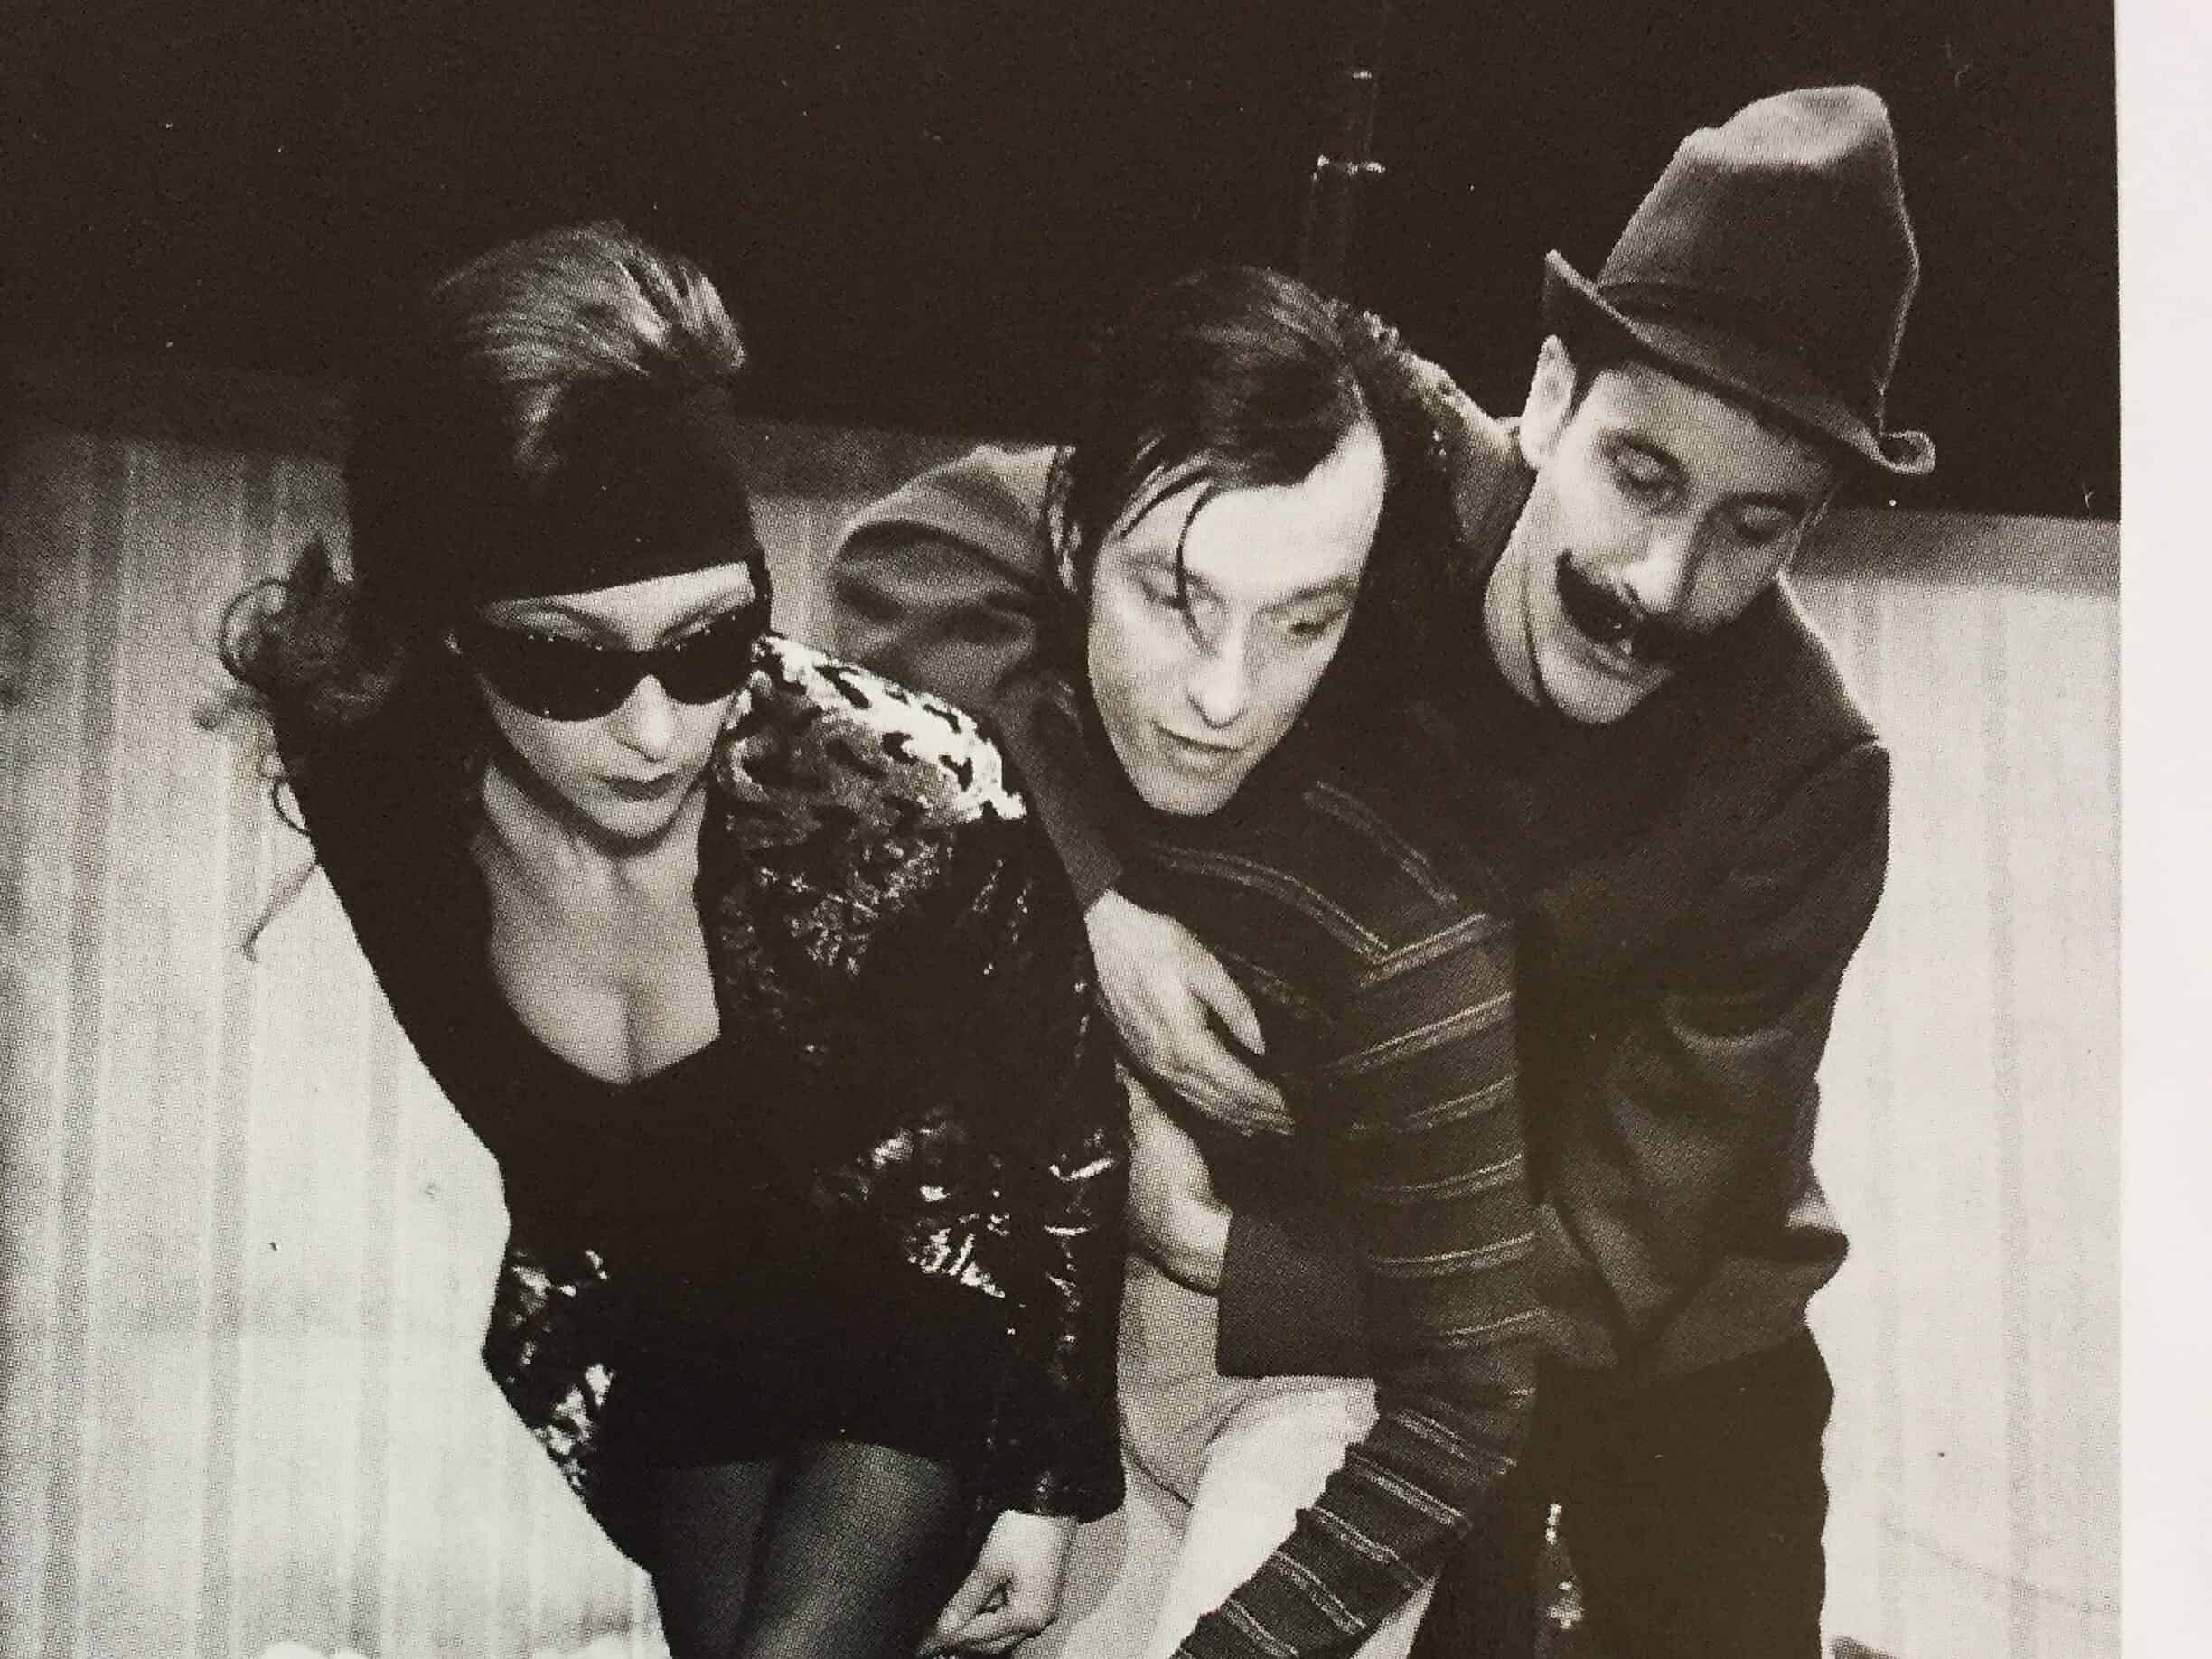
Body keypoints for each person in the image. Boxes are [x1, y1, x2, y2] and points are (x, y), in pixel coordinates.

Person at [838, 86, 1933, 1659]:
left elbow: (1605, 1272)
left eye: (1754, 526)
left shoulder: (1814, 782)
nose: (1662, 580)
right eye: (1640, 476)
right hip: (1342, 1287)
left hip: (1635, 1343)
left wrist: (1224, 1254)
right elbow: (922, 557)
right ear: (1547, 398)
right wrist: (1093, 905)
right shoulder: (1376, 474)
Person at [220, 221, 1129, 1659]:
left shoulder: (910, 794)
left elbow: (1066, 1131)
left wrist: (1048, 1486)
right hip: (684, 1314)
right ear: (444, 629)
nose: (654, 730)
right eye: (563, 662)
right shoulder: (376, 783)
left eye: (712, 642)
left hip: (926, 1290)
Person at [834, 264, 1541, 1659]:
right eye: (1177, 598)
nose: (1226, 695)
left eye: (1303, 621)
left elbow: (1469, 1393)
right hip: (1042, 1317)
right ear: (1070, 537)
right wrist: (1034, 1446)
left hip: (1313, 1386)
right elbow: (896, 557)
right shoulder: (972, 748)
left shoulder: (1405, 918)